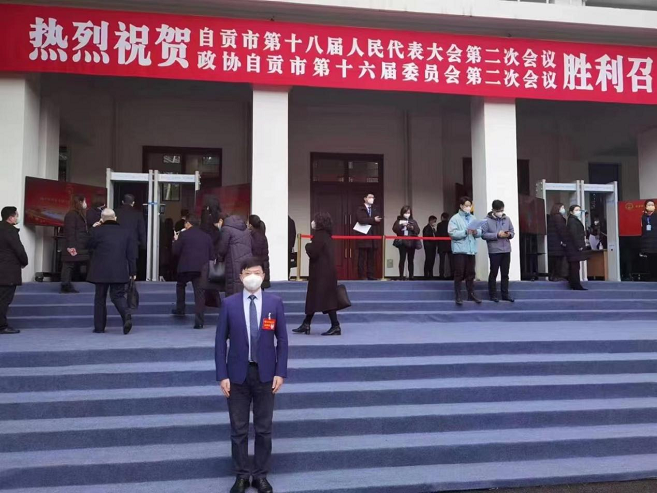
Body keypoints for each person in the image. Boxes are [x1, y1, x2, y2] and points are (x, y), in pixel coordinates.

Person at [215, 257, 288, 493]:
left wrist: (280, 371)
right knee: (238, 428)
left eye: (256, 272)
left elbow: (282, 340)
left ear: (263, 276)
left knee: (263, 428)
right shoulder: (229, 304)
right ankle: (241, 475)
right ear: (241, 277)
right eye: (247, 273)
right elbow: (220, 342)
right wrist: (222, 375)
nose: (252, 277)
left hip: (266, 374)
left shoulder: (274, 303)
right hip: (237, 374)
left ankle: (260, 475)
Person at [87, 208, 136, 334]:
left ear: (101, 220)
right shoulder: (126, 232)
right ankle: (126, 314)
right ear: (115, 218)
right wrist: (132, 272)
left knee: (100, 298)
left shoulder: (96, 231)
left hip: (100, 271)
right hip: (119, 270)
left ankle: (99, 327)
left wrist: (93, 228)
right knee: (118, 295)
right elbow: (131, 254)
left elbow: (88, 245)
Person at [293, 212, 341, 336]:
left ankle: (335, 325)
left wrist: (307, 245)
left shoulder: (319, 235)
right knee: (316, 298)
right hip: (326, 272)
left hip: (321, 273)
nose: (312, 222)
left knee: (324, 298)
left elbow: (314, 252)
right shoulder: (327, 235)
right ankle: (306, 323)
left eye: (315, 220)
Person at [171, 214, 215, 329]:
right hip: (201, 269)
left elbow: (175, 251)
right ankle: (199, 321)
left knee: (180, 285)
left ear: (188, 224)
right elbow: (212, 255)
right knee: (199, 294)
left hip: (185, 268)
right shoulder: (206, 236)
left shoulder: (183, 235)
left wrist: (175, 240)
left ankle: (180, 308)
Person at [448, 197, 482, 305]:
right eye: (466, 205)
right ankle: (458, 296)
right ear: (461, 206)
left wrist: (476, 232)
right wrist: (465, 232)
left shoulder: (473, 218)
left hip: (471, 250)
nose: (468, 207)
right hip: (460, 250)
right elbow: (452, 233)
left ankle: (471, 294)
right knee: (459, 273)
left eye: (470, 205)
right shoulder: (455, 218)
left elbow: (480, 232)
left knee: (471, 273)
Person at [0, 207, 28, 335]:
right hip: (8, 271)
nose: (17, 218)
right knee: (4, 300)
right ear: (11, 217)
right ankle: (2, 326)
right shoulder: (10, 231)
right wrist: (24, 262)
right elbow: (19, 250)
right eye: (16, 215)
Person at [481, 200, 515, 303]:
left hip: (506, 250)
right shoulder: (486, 220)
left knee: (505, 274)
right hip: (494, 250)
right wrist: (497, 235)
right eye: (498, 211)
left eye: (502, 210)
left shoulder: (507, 219)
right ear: (493, 210)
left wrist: (508, 234)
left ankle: (505, 294)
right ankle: (493, 295)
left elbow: (512, 232)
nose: (500, 212)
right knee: (494, 272)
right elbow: (483, 235)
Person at [61, 194, 91, 293]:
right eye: (84, 201)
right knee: (68, 264)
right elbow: (70, 231)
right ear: (80, 202)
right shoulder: (71, 215)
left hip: (79, 245)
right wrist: (71, 246)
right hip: (73, 245)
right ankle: (65, 285)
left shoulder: (79, 214)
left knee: (72, 264)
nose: (86, 204)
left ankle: (68, 284)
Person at [217, 215, 253, 297]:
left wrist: (219, 259)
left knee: (233, 286)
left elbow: (222, 248)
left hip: (232, 261)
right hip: (247, 262)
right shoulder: (246, 230)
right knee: (244, 283)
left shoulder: (226, 229)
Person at [355, 193, 382, 280]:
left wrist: (372, 220)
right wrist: (373, 220)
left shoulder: (375, 209)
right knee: (362, 257)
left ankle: (371, 275)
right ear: (365, 198)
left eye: (373, 197)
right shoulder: (360, 209)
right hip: (363, 235)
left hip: (373, 235)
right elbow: (361, 220)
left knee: (371, 258)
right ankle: (361, 276)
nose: (372, 199)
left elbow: (378, 220)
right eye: (370, 197)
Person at [392, 206, 420, 280]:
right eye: (406, 212)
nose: (407, 214)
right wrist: (401, 226)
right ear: (402, 213)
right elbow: (394, 229)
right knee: (402, 259)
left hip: (412, 242)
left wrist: (412, 228)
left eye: (408, 212)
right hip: (402, 242)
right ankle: (401, 276)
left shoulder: (413, 221)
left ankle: (411, 276)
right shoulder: (398, 221)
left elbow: (418, 230)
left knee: (411, 260)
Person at [566, 204, 588, 291]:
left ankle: (574, 284)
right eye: (576, 210)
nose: (578, 211)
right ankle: (576, 284)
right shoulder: (572, 221)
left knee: (574, 266)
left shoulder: (573, 220)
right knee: (575, 267)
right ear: (571, 212)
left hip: (573, 247)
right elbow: (574, 234)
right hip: (574, 248)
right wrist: (579, 246)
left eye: (579, 210)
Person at [547, 203, 568, 282]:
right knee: (558, 260)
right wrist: (565, 241)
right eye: (562, 207)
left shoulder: (551, 217)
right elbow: (562, 230)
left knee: (553, 261)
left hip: (553, 243)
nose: (563, 209)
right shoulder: (558, 217)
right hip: (558, 243)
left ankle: (552, 276)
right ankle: (557, 276)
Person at [249, 215, 271, 290]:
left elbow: (255, 253)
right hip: (262, 268)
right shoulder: (262, 235)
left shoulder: (253, 236)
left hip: (256, 268)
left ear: (251, 225)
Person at [641, 199, 657, 281]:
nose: (651, 206)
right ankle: (652, 276)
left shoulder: (656, 216)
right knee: (650, 260)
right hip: (647, 242)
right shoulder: (643, 217)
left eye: (652, 205)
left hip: (655, 241)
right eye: (649, 205)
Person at [436, 212, 452, 279]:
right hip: (449, 244)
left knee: (442, 261)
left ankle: (441, 275)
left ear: (442, 217)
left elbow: (438, 235)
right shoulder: (450, 224)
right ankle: (452, 275)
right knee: (451, 261)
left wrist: (437, 244)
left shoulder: (439, 225)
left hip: (441, 244)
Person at [422, 215, 438, 279]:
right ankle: (426, 275)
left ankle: (431, 274)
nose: (435, 223)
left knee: (432, 260)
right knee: (428, 260)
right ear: (430, 221)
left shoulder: (433, 229)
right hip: (428, 247)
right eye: (434, 221)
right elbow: (426, 238)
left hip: (433, 246)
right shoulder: (426, 228)